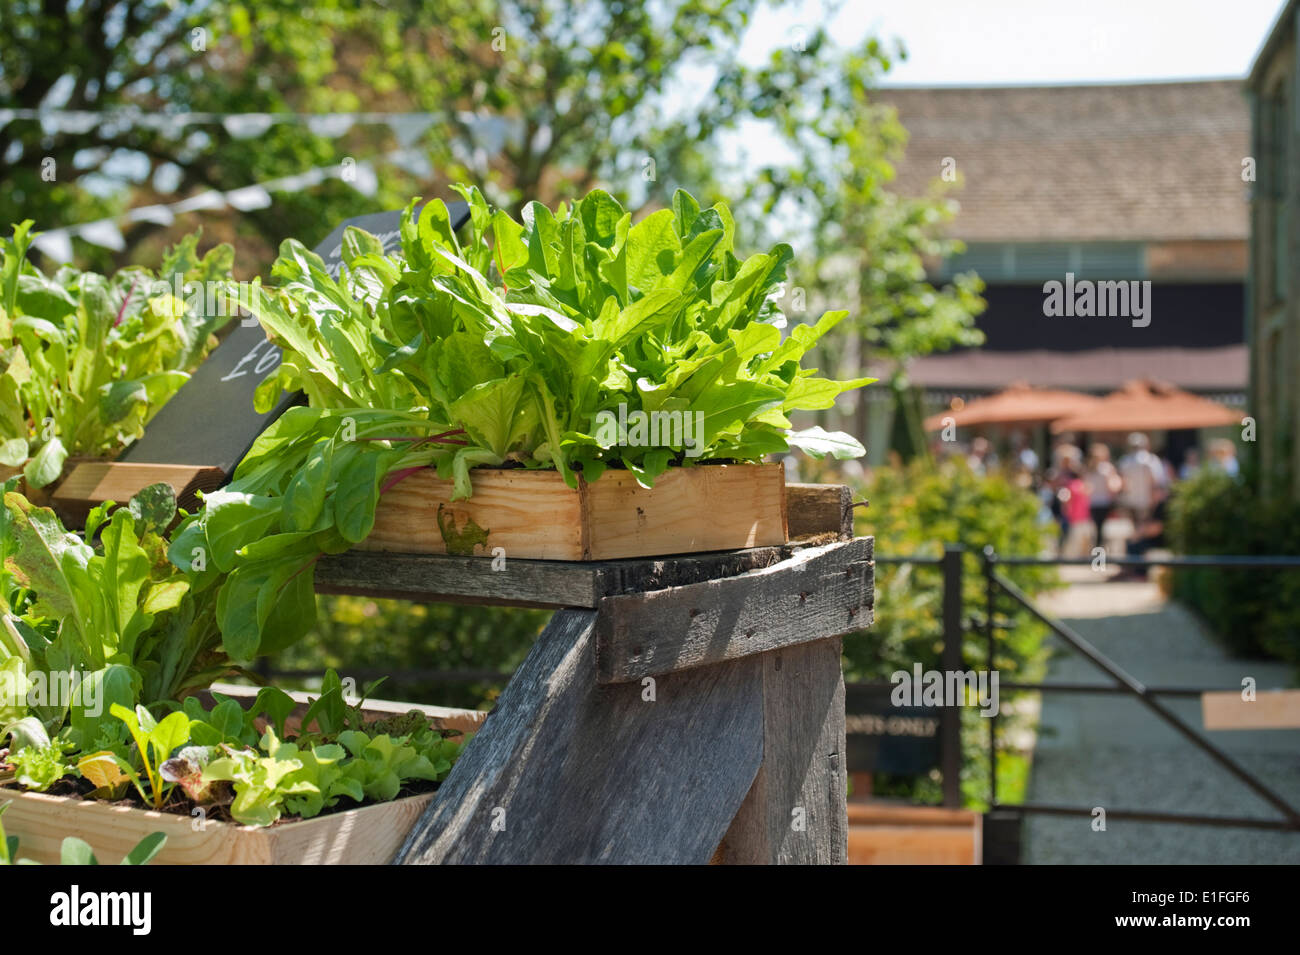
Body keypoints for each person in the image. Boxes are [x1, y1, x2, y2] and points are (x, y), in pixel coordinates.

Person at [1118, 432, 1167, 524]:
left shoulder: (1125, 461)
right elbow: (1157, 480)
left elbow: (1123, 482)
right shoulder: (1151, 460)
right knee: (1144, 524)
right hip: (1147, 499)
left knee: (1136, 525)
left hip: (1131, 499)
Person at [1083, 443, 1122, 548]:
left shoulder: (1089, 468)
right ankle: (1099, 549)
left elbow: (1086, 487)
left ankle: (1097, 548)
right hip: (1104, 501)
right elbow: (1112, 486)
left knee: (1096, 527)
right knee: (1101, 528)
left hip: (1093, 501)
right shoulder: (1106, 468)